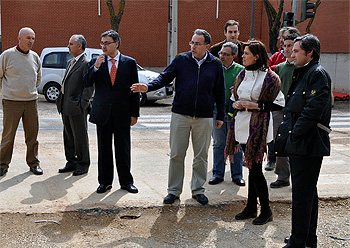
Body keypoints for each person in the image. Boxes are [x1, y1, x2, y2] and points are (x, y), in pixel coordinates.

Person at [131, 29, 225, 205]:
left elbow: (220, 91)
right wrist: (148, 87)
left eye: (197, 43)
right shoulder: (182, 60)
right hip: (180, 115)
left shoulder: (215, 64)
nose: (193, 47)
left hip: (204, 117)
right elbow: (164, 77)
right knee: (176, 154)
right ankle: (173, 191)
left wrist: (220, 114)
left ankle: (198, 190)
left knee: (201, 156)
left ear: (207, 46)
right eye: (191, 43)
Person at [274, 34, 332, 248]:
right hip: (302, 143)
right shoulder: (304, 72)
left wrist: (295, 135)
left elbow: (312, 110)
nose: (292, 53)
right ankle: (307, 236)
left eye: (297, 51)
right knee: (308, 192)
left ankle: (296, 245)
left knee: (301, 195)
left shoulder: (317, 74)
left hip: (308, 144)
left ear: (311, 53)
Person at [225, 40, 285, 225]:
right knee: (251, 168)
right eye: (242, 53)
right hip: (242, 125)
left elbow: (279, 103)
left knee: (256, 170)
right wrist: (236, 101)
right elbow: (236, 96)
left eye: (246, 53)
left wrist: (256, 105)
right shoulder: (242, 74)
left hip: (258, 127)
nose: (242, 56)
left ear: (257, 56)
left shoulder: (270, 77)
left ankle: (266, 210)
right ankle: (251, 207)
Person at [83, 30, 140, 194]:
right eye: (102, 43)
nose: (103, 46)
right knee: (104, 149)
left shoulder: (129, 63)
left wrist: (134, 113)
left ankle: (126, 182)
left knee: (123, 148)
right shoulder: (96, 62)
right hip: (103, 113)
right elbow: (86, 82)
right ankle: (105, 182)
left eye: (107, 43)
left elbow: (134, 90)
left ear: (117, 43)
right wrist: (95, 67)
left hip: (123, 112)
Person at [0, 27, 43, 176]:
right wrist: (5, 94)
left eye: (33, 38)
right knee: (8, 136)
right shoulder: (7, 55)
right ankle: (3, 165)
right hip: (11, 102)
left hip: (31, 102)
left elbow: (38, 78)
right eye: (28, 38)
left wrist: (29, 90)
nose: (31, 41)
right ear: (19, 38)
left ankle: (33, 163)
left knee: (32, 136)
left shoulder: (35, 57)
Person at [56, 34, 94, 176]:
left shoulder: (86, 63)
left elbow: (89, 87)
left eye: (71, 44)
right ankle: (71, 162)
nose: (68, 46)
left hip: (77, 107)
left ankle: (83, 164)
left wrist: (82, 104)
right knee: (68, 135)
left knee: (80, 136)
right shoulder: (70, 62)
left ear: (79, 46)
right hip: (65, 104)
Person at [209, 42, 245, 186]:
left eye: (226, 54)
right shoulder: (214, 68)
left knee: (236, 143)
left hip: (234, 113)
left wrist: (237, 91)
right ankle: (218, 173)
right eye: (221, 53)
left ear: (234, 56)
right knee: (218, 143)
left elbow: (246, 92)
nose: (222, 56)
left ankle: (237, 175)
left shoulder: (241, 71)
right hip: (217, 111)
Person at [266, 26, 300, 171]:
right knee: (279, 142)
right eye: (284, 46)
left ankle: (296, 174)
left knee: (295, 145)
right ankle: (282, 175)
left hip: (295, 111)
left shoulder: (302, 68)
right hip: (279, 110)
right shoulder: (279, 68)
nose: (286, 49)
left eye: (290, 46)